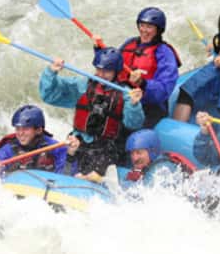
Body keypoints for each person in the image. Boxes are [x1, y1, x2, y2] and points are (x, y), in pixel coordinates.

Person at [39, 46, 144, 180]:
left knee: (93, 172)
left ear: (116, 72)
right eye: (98, 70)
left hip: (105, 148)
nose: (101, 75)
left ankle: (90, 179)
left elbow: (134, 123)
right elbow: (49, 95)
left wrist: (134, 105)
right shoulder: (83, 85)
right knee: (65, 167)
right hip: (78, 140)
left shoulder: (125, 94)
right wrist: (51, 72)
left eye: (106, 72)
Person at [117, 7, 182, 128]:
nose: (144, 30)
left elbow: (164, 90)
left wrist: (143, 83)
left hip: (149, 107)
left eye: (149, 27)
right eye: (142, 25)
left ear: (158, 30)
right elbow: (111, 65)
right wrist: (98, 49)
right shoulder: (130, 43)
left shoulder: (164, 53)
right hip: (124, 99)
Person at [0, 105, 68, 175]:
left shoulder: (54, 147)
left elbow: (66, 172)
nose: (20, 133)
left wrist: (71, 154)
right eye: (17, 129)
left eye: (25, 129)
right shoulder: (9, 148)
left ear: (39, 130)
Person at [122, 129, 197, 185]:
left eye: (139, 153)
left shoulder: (162, 169)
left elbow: (147, 195)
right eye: (132, 153)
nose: (135, 158)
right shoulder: (149, 164)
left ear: (152, 151)